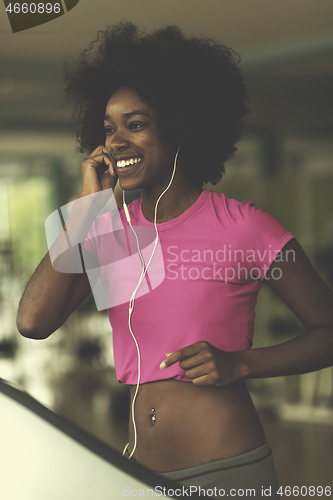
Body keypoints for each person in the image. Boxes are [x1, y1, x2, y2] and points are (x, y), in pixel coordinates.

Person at [17, 22, 333, 498]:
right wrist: (84, 209)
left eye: (136, 124)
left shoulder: (246, 228)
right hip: (138, 475)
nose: (116, 141)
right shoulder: (111, 234)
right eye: (109, 129)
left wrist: (242, 363)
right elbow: (33, 321)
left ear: (181, 128)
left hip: (229, 469)